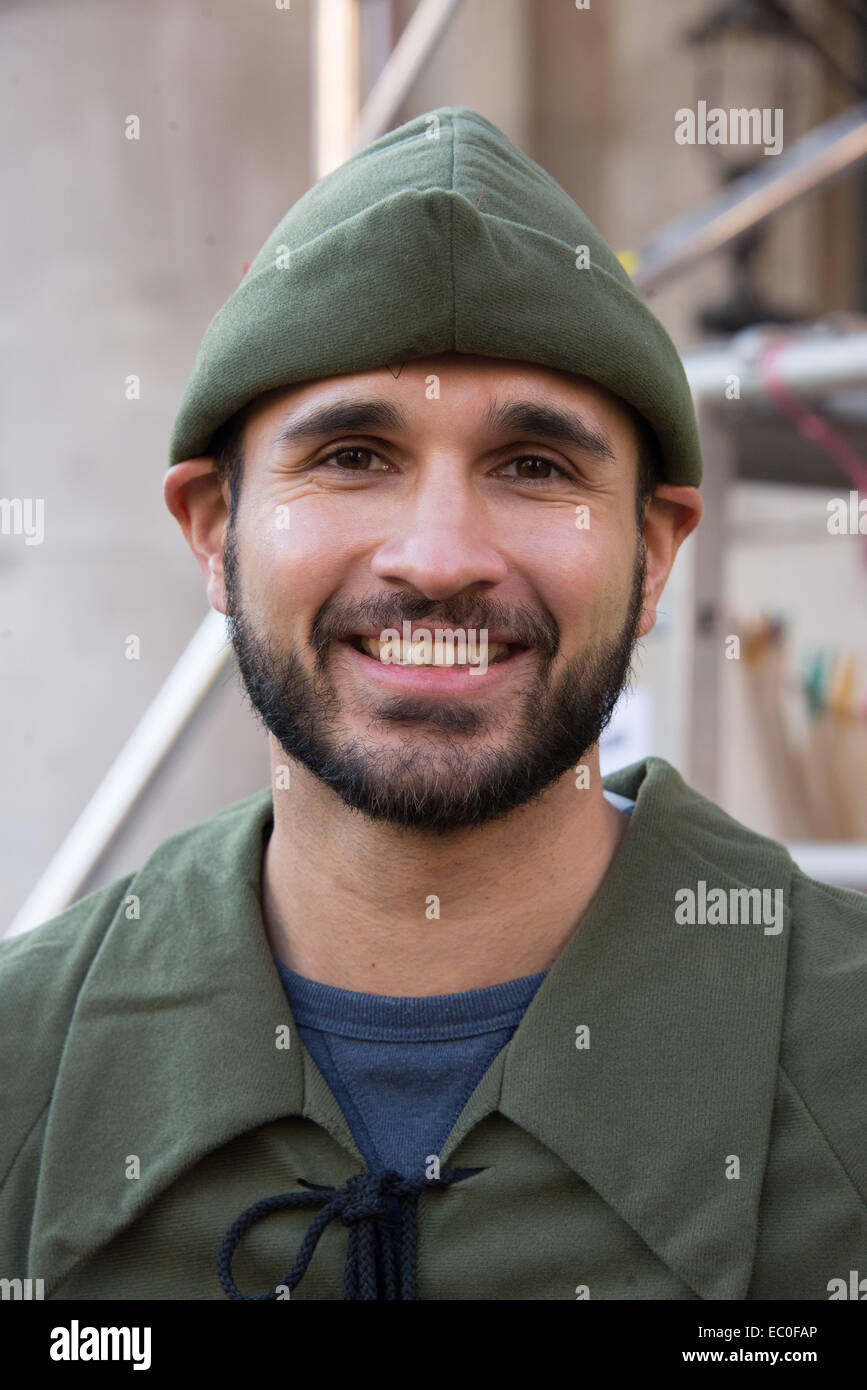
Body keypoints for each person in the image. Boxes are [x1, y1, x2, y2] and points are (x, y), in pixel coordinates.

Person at [1, 107, 864, 1302]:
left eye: (535, 466)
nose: (440, 555)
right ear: (214, 531)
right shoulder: (18, 1076)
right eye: (353, 454)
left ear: (654, 552)